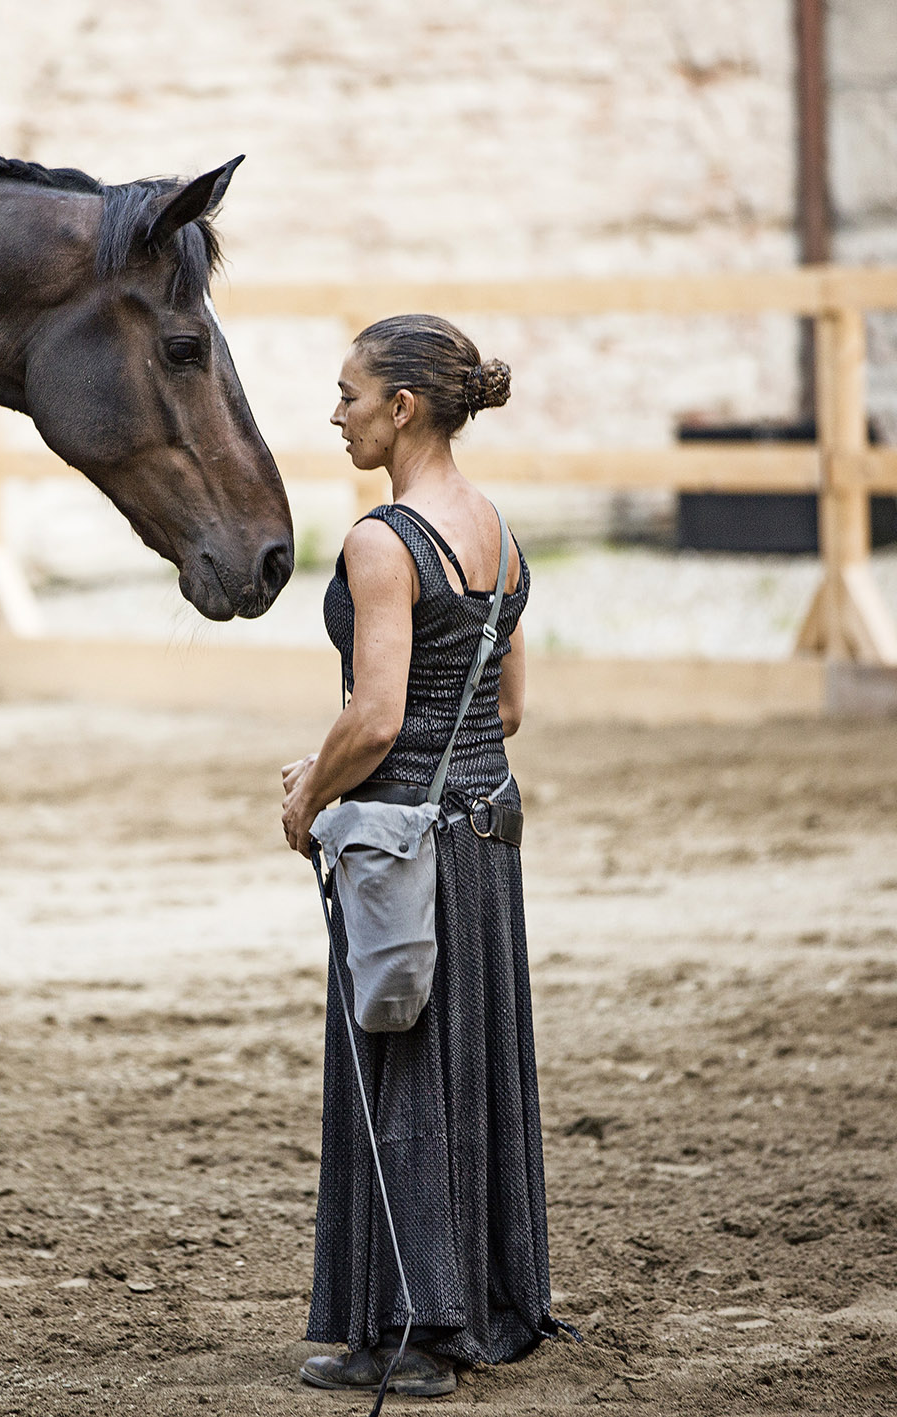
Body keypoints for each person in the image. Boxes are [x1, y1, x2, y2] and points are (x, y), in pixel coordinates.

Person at [280, 314, 568, 1397]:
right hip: (487, 840)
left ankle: (406, 1335)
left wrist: (308, 791)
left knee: (398, 1069)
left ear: (401, 407)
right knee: (470, 1064)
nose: (335, 412)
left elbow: (377, 718)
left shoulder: (381, 538)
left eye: (349, 393)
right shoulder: (494, 528)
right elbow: (508, 704)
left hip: (405, 847)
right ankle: (487, 1312)